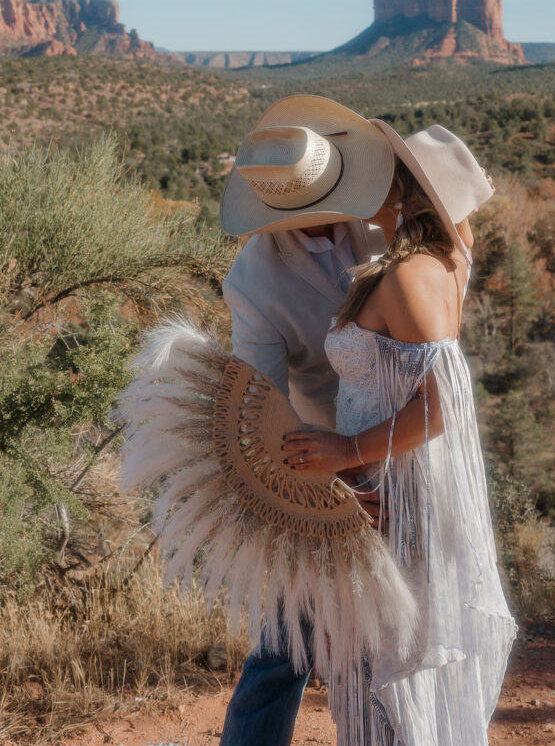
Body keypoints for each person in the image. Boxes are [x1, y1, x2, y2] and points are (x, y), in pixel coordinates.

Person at [283, 122, 517, 746]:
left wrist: (348, 452)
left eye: (386, 173)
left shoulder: (410, 275)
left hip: (395, 494)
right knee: (390, 664)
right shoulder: (446, 261)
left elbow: (446, 405)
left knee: (383, 667)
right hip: (396, 485)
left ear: (410, 196)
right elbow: (463, 233)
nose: (369, 181)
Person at [217, 95, 395, 746]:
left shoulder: (386, 222)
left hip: (408, 440)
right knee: (281, 641)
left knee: (398, 638)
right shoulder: (251, 283)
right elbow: (264, 406)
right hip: (317, 461)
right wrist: (334, 485)